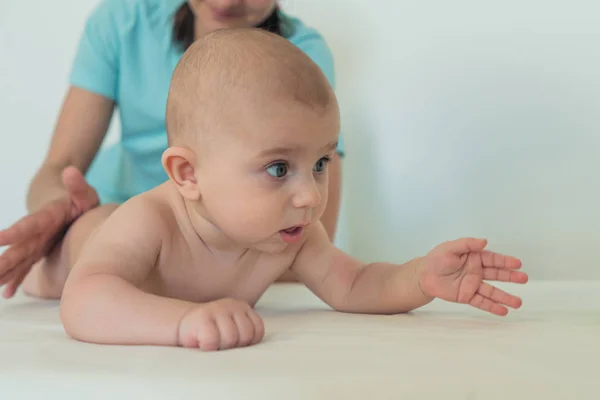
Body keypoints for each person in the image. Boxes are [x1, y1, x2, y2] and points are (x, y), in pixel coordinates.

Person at [21, 28, 526, 351]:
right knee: (76, 247)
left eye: (321, 162)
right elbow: (84, 299)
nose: (310, 196)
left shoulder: (289, 236)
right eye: (280, 169)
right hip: (72, 250)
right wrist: (184, 322)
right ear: (188, 175)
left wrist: (420, 278)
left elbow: (353, 284)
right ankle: (74, 222)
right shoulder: (149, 222)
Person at [0, 0, 344, 297]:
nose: (224, 3)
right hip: (108, 213)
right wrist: (62, 213)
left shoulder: (303, 60)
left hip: (221, 245)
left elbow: (309, 238)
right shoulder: (125, 20)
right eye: (279, 167)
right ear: (183, 172)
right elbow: (60, 167)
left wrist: (194, 265)